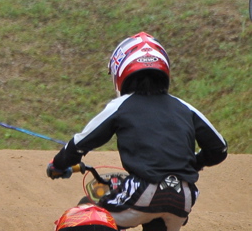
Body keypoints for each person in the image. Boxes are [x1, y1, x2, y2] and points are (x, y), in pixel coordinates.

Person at [46, 32, 228, 231]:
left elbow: (80, 143)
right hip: (182, 196)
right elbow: (219, 149)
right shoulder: (185, 107)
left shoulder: (121, 105)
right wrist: (194, 162)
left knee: (88, 213)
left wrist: (58, 164)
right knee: (157, 217)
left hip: (145, 189)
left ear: (121, 71)